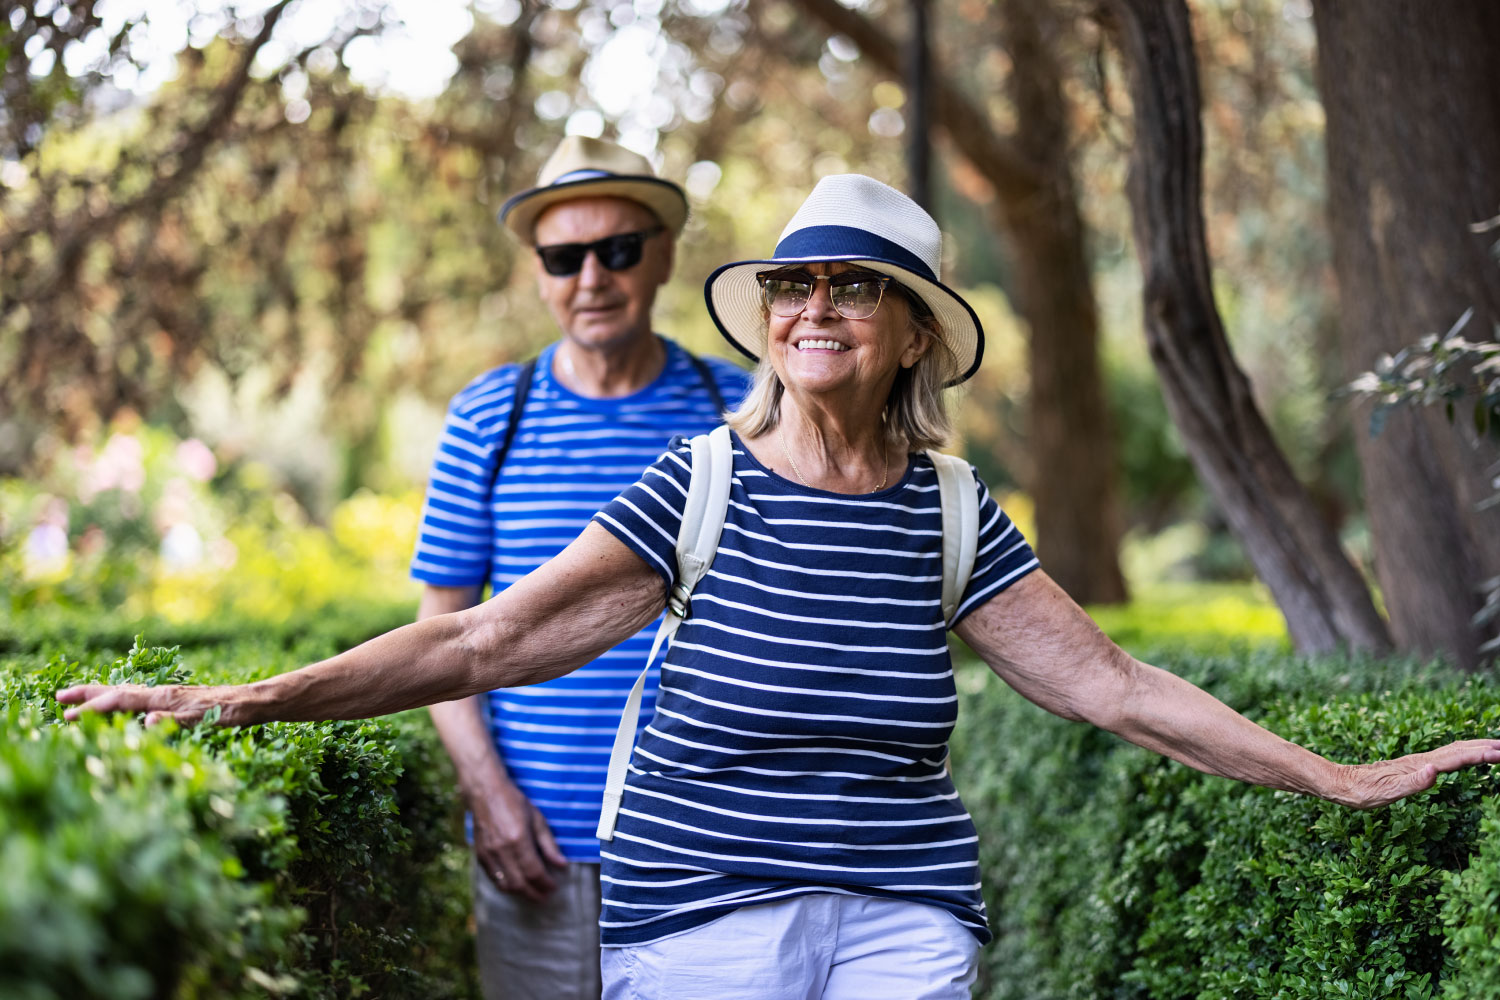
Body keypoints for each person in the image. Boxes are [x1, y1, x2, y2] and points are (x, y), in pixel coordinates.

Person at [59, 174, 1500, 1000]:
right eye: (798, 285)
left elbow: (1117, 688)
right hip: (701, 913)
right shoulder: (699, 482)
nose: (815, 309)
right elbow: (488, 636)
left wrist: (1344, 781)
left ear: (910, 337)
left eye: (853, 289)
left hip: (902, 914)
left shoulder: (950, 510)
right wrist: (225, 700)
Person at [408, 135, 747, 999]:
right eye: (563, 256)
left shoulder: (739, 414)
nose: (590, 277)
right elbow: (439, 636)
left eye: (618, 249)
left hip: (712, 852)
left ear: (664, 255)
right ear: (539, 271)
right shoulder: (490, 415)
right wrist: (490, 797)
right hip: (540, 851)